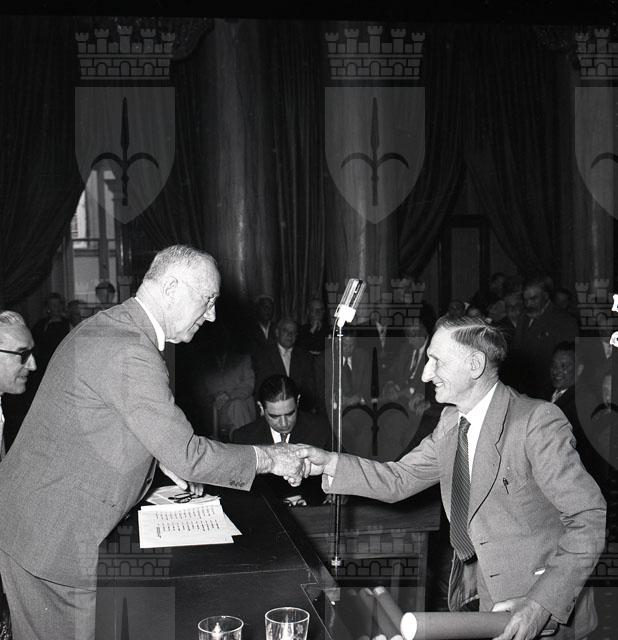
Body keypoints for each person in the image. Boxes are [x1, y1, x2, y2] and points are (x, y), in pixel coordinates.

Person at [0, 245, 305, 640]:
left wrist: (162, 456)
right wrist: (272, 458)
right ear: (172, 288)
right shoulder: (130, 348)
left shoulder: (113, 327)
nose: (212, 314)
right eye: (208, 299)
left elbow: (103, 419)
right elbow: (190, 454)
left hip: (40, 524)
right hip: (50, 541)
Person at [297, 316, 606, 640]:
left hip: (545, 609)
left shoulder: (536, 422)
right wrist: (328, 463)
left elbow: (589, 519)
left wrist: (540, 605)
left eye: (436, 361)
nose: (426, 373)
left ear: (474, 365)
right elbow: (400, 478)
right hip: (490, 601)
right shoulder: (451, 421)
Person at [232, 375, 331, 505]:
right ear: (261, 407)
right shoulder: (244, 438)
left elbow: (341, 471)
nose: (284, 423)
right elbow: (236, 487)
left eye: (290, 413)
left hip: (315, 509)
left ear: (298, 401)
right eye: (274, 416)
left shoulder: (321, 429)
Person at [510, 275, 579, 399]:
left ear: (546, 296)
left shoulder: (564, 321)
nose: (528, 304)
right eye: (525, 300)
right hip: (521, 389)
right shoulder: (523, 317)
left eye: (533, 299)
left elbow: (565, 362)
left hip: (546, 390)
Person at [253, 317, 317, 413]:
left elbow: (310, 390)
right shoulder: (264, 356)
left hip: (299, 410)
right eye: (285, 330)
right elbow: (260, 389)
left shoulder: (305, 357)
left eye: (293, 332)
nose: (290, 335)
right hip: (273, 409)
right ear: (277, 333)